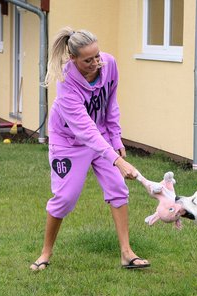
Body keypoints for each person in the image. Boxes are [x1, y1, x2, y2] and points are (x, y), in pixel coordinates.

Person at [30, 27, 149, 270]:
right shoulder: (66, 84)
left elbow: (110, 104)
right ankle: (45, 253)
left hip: (102, 137)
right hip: (69, 142)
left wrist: (116, 139)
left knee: (118, 188)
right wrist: (118, 161)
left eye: (98, 55)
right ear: (73, 59)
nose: (97, 63)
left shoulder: (109, 64)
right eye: (88, 60)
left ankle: (127, 253)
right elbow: (84, 129)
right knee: (65, 198)